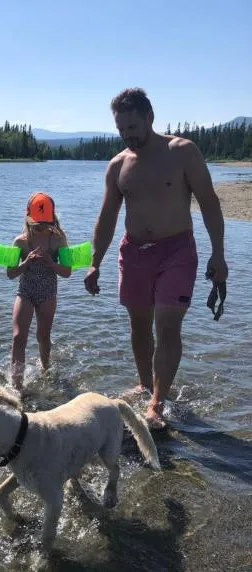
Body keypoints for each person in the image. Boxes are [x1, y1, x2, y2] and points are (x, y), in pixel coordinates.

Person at [84, 87, 228, 429]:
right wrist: (95, 261)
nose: (127, 135)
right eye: (121, 129)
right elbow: (106, 218)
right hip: (133, 253)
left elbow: (209, 202)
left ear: (149, 117)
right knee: (138, 326)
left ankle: (157, 402)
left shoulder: (182, 152)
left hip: (176, 251)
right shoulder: (119, 165)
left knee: (166, 324)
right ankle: (146, 384)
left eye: (132, 126)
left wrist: (218, 254)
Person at [7, 192, 72, 392]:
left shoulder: (59, 240)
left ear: (52, 218)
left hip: (48, 293)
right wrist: (26, 263)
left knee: (43, 336)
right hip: (25, 291)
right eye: (37, 223)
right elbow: (10, 273)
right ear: (29, 218)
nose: (41, 227)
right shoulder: (20, 242)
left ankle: (45, 369)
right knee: (18, 337)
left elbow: (67, 272)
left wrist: (50, 262)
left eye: (44, 223)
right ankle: (17, 387)